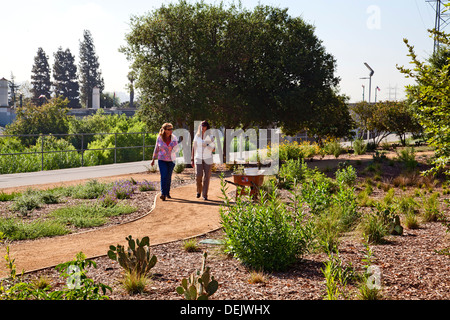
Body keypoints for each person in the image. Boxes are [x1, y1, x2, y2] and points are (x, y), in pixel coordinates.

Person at [151, 123, 179, 201]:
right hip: (162, 160)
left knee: (168, 177)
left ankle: (167, 192)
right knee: (163, 176)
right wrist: (153, 159)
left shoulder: (174, 138)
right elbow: (156, 148)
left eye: (171, 129)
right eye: (169, 129)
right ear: (165, 130)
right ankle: (163, 194)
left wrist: (173, 148)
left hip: (171, 160)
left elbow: (177, 149)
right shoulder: (159, 138)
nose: (171, 131)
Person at [191, 121, 215, 200]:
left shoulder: (211, 137)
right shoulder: (197, 136)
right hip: (198, 158)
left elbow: (214, 149)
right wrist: (192, 159)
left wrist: (207, 145)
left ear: (207, 127)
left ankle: (205, 195)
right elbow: (194, 147)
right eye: (202, 125)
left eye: (204, 126)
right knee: (198, 175)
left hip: (208, 158)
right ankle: (199, 191)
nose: (203, 127)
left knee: (206, 177)